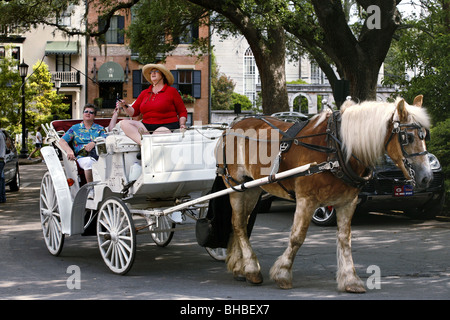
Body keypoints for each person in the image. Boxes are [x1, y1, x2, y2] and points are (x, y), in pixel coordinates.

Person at [117, 63, 188, 145]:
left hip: (166, 125)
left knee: (157, 135)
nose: (153, 73)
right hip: (146, 126)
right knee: (124, 123)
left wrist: (182, 124)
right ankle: (145, 145)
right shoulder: (144, 93)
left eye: (156, 71)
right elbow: (133, 112)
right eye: (151, 72)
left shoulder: (172, 91)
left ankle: (146, 146)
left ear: (163, 75)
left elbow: (182, 111)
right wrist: (124, 106)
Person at [58, 104, 107, 183]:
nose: (88, 113)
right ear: (83, 113)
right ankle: (91, 189)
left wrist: (94, 143)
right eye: (86, 111)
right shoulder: (75, 128)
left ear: (94, 116)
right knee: (88, 162)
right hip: (82, 156)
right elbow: (62, 141)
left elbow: (105, 139)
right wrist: (69, 151)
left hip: (99, 156)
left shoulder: (100, 128)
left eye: (91, 112)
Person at [0, 130, 6, 203]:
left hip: (0, 159)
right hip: (2, 159)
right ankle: (2, 197)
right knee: (1, 179)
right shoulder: (2, 134)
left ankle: (1, 197)